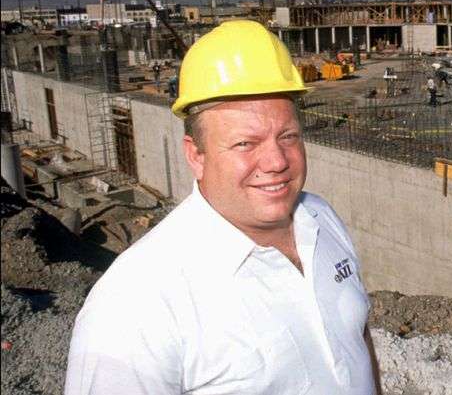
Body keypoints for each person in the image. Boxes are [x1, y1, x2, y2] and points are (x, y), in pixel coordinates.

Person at [65, 20, 382, 395]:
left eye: (288, 136)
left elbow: (356, 340)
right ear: (195, 155)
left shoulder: (321, 218)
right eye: (245, 144)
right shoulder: (137, 304)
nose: (276, 161)